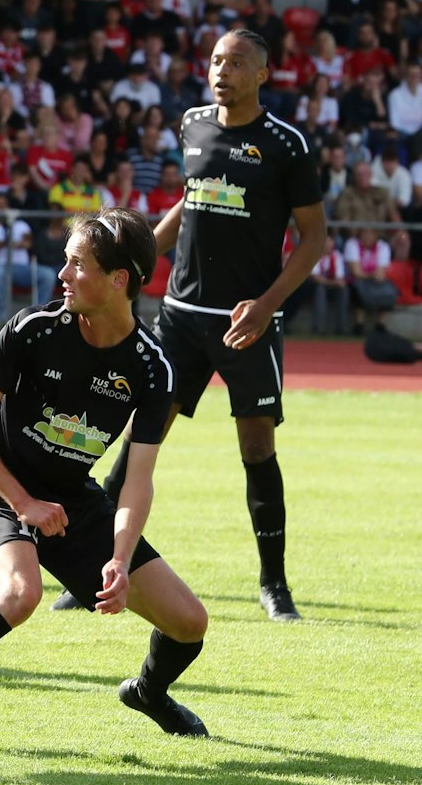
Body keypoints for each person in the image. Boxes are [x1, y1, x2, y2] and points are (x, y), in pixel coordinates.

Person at [0, 209, 208, 754]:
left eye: (78, 264)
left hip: (73, 502)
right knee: (20, 594)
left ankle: (149, 692)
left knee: (189, 622)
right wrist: (23, 501)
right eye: (66, 261)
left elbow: (137, 481)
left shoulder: (152, 366)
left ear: (118, 279)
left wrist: (120, 561)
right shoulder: (35, 329)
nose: (63, 275)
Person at [95, 31, 327, 622]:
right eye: (217, 61)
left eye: (237, 63)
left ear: (263, 74)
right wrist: (136, 258)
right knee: (142, 437)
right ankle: (95, 566)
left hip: (247, 322)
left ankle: (274, 585)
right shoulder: (193, 124)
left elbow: (314, 239)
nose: (223, 71)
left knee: (257, 447)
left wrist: (266, 304)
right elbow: (192, 200)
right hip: (180, 317)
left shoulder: (287, 144)